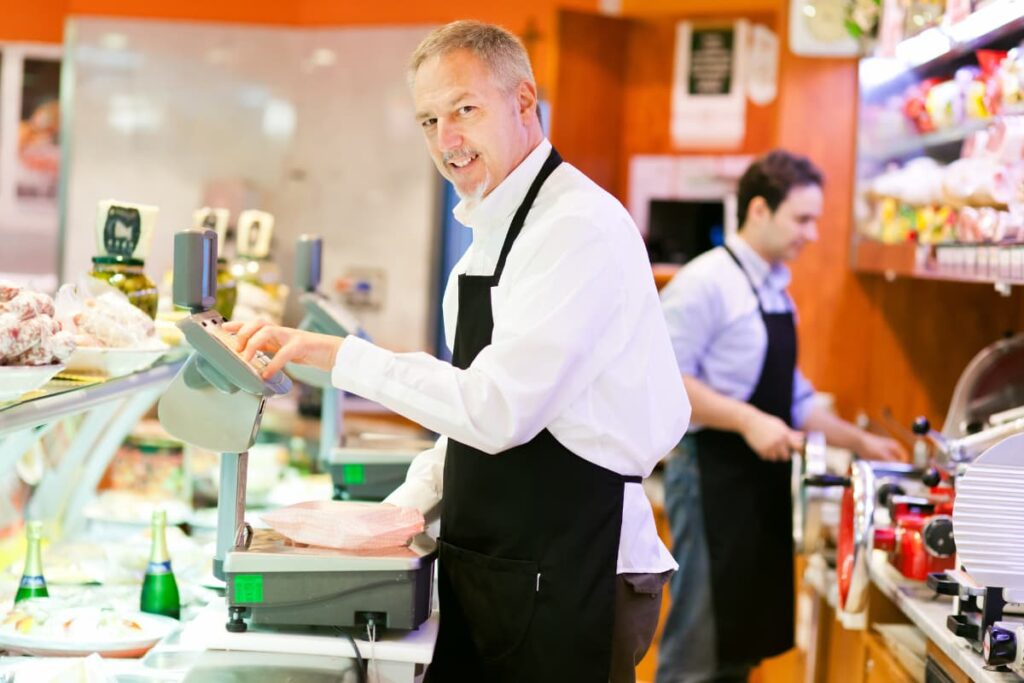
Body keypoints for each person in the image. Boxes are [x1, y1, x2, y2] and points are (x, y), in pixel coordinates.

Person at [226, 20, 690, 683]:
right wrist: (400, 511)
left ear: (524, 102)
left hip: (572, 570)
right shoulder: (490, 236)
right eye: (428, 120)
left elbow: (498, 410)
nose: (447, 139)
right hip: (502, 565)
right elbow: (469, 421)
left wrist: (343, 357)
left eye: (465, 109)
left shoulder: (576, 229)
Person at [654, 150, 906, 683]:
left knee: (739, 643)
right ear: (760, 211)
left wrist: (862, 442)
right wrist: (747, 421)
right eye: (803, 219)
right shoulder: (705, 283)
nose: (813, 234)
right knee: (698, 647)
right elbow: (664, 382)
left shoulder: (775, 289)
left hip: (757, 487)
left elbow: (794, 401)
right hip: (709, 479)